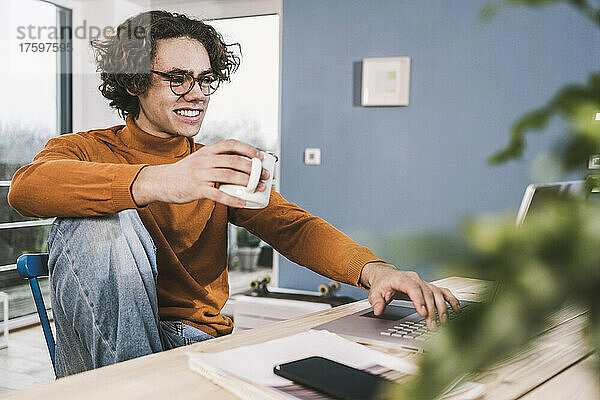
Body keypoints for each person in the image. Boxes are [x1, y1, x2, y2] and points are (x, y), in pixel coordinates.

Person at [8, 10, 459, 378]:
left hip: (194, 338)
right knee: (98, 220)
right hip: (104, 346)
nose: (198, 94)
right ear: (133, 82)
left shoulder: (214, 164)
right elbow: (28, 188)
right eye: (178, 78)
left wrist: (375, 272)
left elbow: (292, 226)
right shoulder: (86, 149)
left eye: (206, 79)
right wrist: (161, 181)